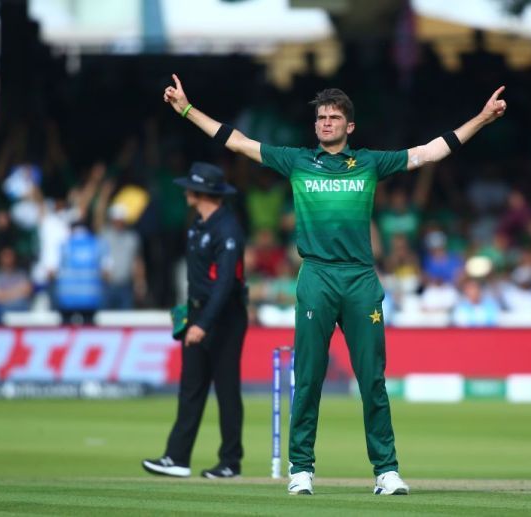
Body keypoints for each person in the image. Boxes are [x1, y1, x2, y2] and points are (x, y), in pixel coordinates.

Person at [162, 76, 506, 495]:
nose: (325, 123)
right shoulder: (296, 161)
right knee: (307, 378)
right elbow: (237, 142)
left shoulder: (369, 163)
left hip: (360, 278)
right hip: (316, 277)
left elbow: (431, 152)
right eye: (321, 117)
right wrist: (186, 109)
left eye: (334, 117)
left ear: (350, 127)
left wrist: (483, 120)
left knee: (372, 380)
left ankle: (387, 470)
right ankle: (301, 469)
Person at [142, 162, 248, 480]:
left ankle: (231, 462)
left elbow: (226, 283)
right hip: (199, 313)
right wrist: (188, 317)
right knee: (191, 389)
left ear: (202, 192)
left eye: (190, 186)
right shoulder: (198, 225)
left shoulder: (226, 229)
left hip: (225, 318)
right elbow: (198, 280)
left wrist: (204, 324)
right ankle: (177, 458)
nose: (185, 191)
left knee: (226, 389)